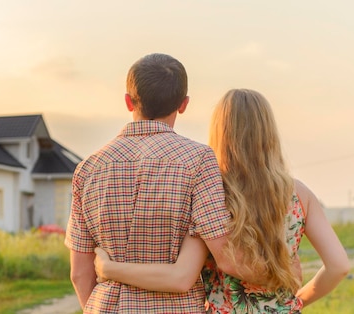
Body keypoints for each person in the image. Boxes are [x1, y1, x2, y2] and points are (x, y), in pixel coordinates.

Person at [93, 89, 350, 313]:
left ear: (220, 131)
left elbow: (182, 273)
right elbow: (338, 266)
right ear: (269, 132)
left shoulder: (210, 191)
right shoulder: (300, 194)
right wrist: (296, 302)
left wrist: (109, 268)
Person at [64, 54, 265, 313]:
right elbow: (225, 256)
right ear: (183, 104)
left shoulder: (88, 169)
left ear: (128, 101)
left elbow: (79, 274)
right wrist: (279, 271)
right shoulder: (199, 160)